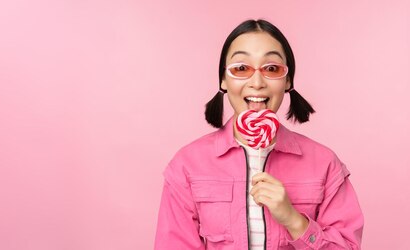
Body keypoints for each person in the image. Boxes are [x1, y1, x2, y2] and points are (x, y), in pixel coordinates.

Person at [154, 19, 363, 249]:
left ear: (288, 80)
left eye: (271, 68)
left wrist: (293, 220)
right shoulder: (187, 165)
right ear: (223, 79)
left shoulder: (325, 164)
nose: (256, 82)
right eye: (241, 68)